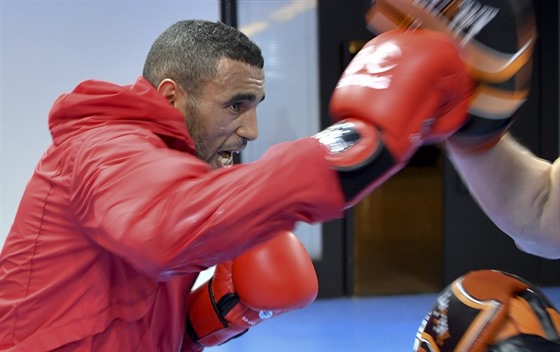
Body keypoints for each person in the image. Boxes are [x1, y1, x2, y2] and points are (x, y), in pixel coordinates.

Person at [0, 19, 473, 351]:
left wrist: (208, 319)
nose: (252, 130)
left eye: (256, 105)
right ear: (171, 96)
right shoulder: (105, 149)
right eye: (235, 105)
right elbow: (168, 225)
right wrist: (360, 142)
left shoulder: (169, 161)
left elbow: (122, 312)